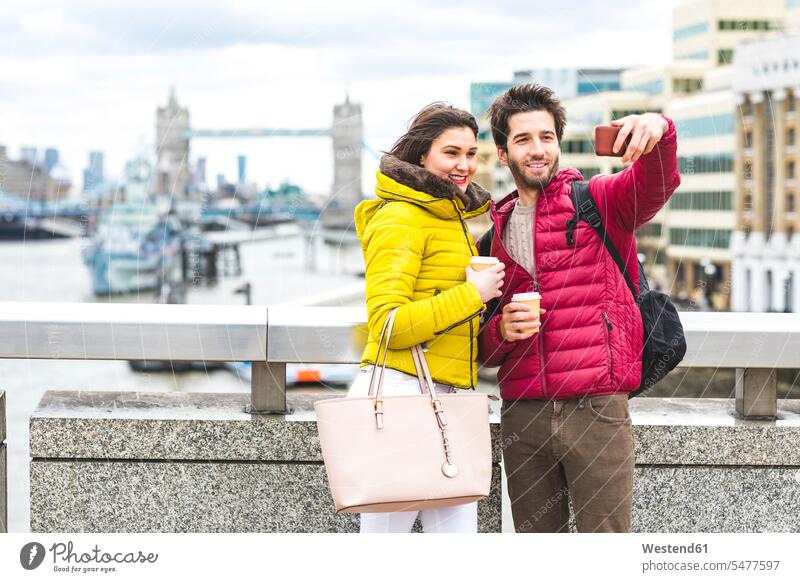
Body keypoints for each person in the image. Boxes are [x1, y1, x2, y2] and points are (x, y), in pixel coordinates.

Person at [477, 84, 680, 533]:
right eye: (524, 139)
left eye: (546, 137)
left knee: (604, 550)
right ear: (501, 151)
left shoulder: (599, 202)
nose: (538, 150)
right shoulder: (491, 238)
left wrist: (660, 130)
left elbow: (656, 184)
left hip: (598, 411)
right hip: (522, 415)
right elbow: (482, 352)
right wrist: (501, 333)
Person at [349, 102, 505, 533]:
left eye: (472, 154)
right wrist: (471, 295)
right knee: (385, 547)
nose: (465, 165)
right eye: (451, 153)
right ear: (422, 156)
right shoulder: (401, 218)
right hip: (401, 395)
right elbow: (387, 326)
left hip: (447, 398)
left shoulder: (449, 215)